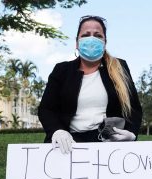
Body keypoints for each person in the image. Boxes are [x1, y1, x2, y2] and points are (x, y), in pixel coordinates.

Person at [38, 15, 143, 154]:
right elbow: (46, 109)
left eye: (98, 35)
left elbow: (134, 108)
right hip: (69, 144)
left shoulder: (119, 67)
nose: (92, 39)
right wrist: (57, 131)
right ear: (77, 42)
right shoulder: (62, 70)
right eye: (86, 35)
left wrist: (131, 133)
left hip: (108, 144)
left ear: (105, 42)